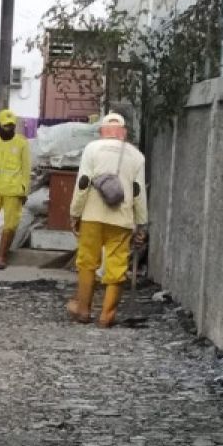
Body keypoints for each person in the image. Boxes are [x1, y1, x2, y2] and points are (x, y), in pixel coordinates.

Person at [67, 112, 149, 327]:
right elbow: (138, 192)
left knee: (87, 262)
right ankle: (107, 316)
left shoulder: (92, 149)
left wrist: (75, 212)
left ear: (102, 130)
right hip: (121, 218)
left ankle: (83, 310)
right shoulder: (136, 156)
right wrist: (141, 223)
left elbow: (83, 183)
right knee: (116, 265)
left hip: (92, 216)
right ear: (124, 132)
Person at [0, 108, 31, 270]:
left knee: (10, 225)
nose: (9, 129)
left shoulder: (22, 143)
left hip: (13, 190)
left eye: (11, 126)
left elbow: (26, 169)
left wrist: (25, 191)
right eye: (5, 126)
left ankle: (1, 257)